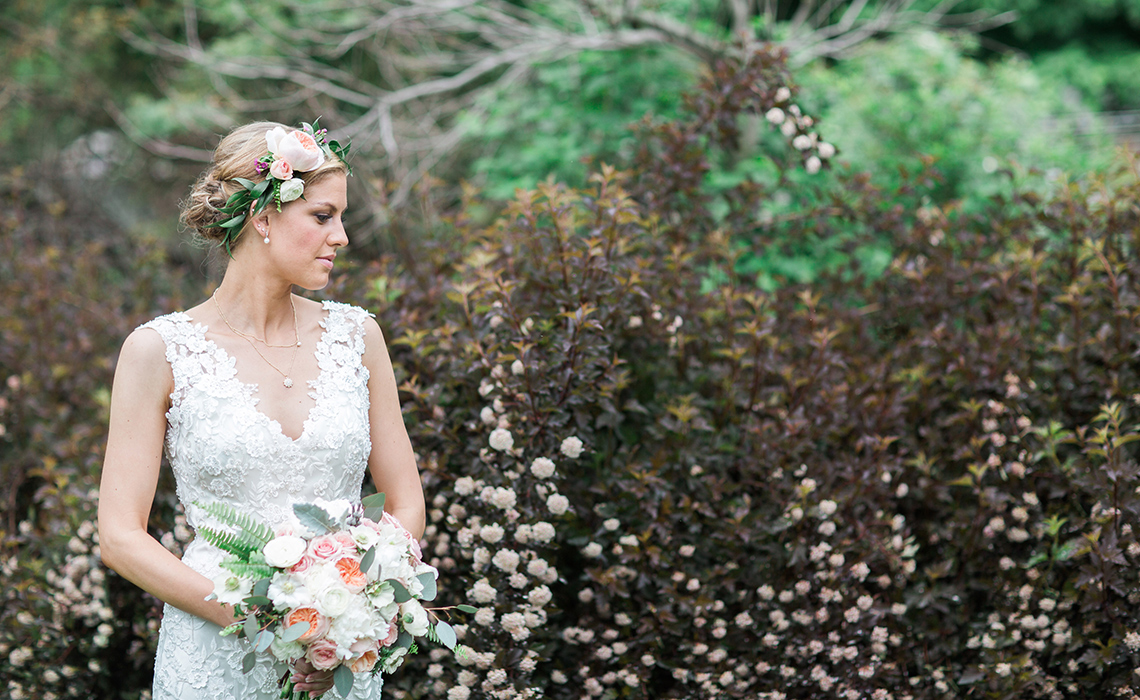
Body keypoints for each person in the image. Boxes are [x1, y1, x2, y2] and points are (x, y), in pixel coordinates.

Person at [97, 121, 425, 699]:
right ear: (263, 217)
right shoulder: (159, 351)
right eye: (323, 216)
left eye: (341, 218)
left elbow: (404, 503)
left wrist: (354, 612)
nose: (342, 237)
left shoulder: (358, 336)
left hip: (336, 662)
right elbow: (121, 535)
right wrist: (262, 623)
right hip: (215, 660)